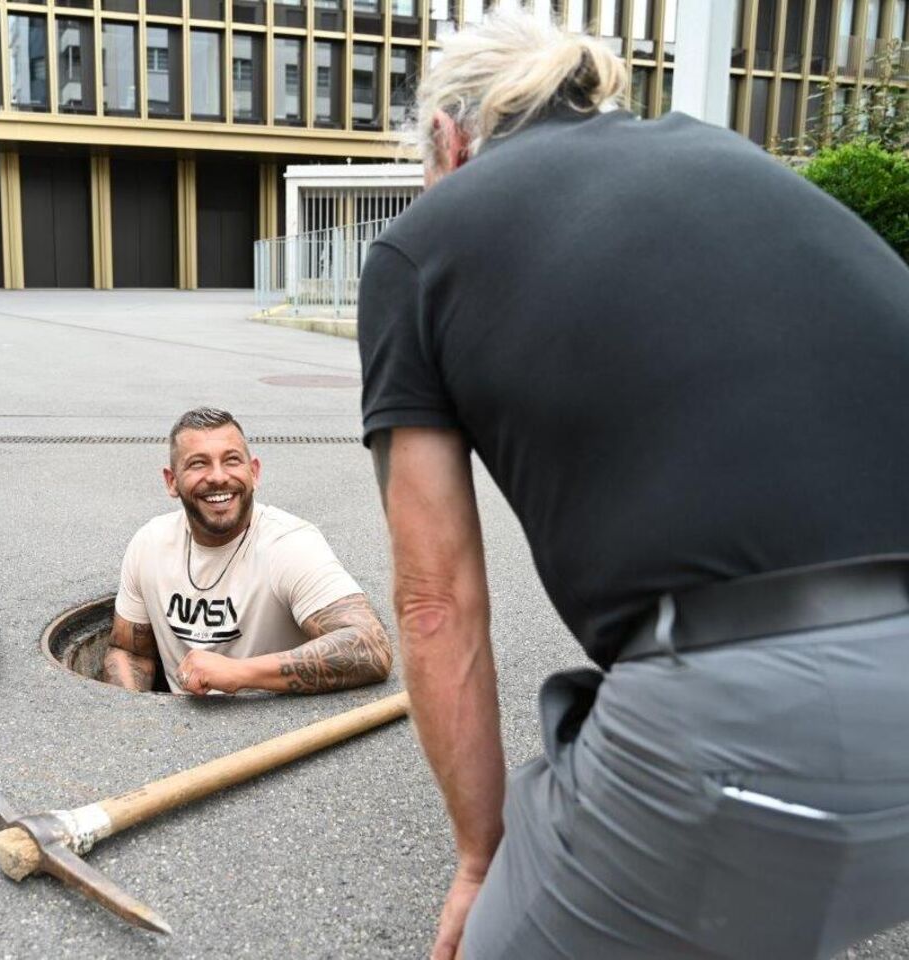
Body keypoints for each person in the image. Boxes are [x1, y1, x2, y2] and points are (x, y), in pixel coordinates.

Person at [358, 10, 909, 960]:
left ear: (448, 138)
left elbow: (435, 603)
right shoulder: (729, 159)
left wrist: (482, 864)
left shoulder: (422, 243)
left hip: (760, 722)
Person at [105, 406, 392, 696]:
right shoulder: (149, 543)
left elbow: (370, 646)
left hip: (280, 733)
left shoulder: (289, 543)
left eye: (231, 461)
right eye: (198, 464)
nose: (218, 477)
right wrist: (132, 718)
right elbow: (128, 650)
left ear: (253, 472)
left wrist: (238, 673)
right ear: (172, 481)